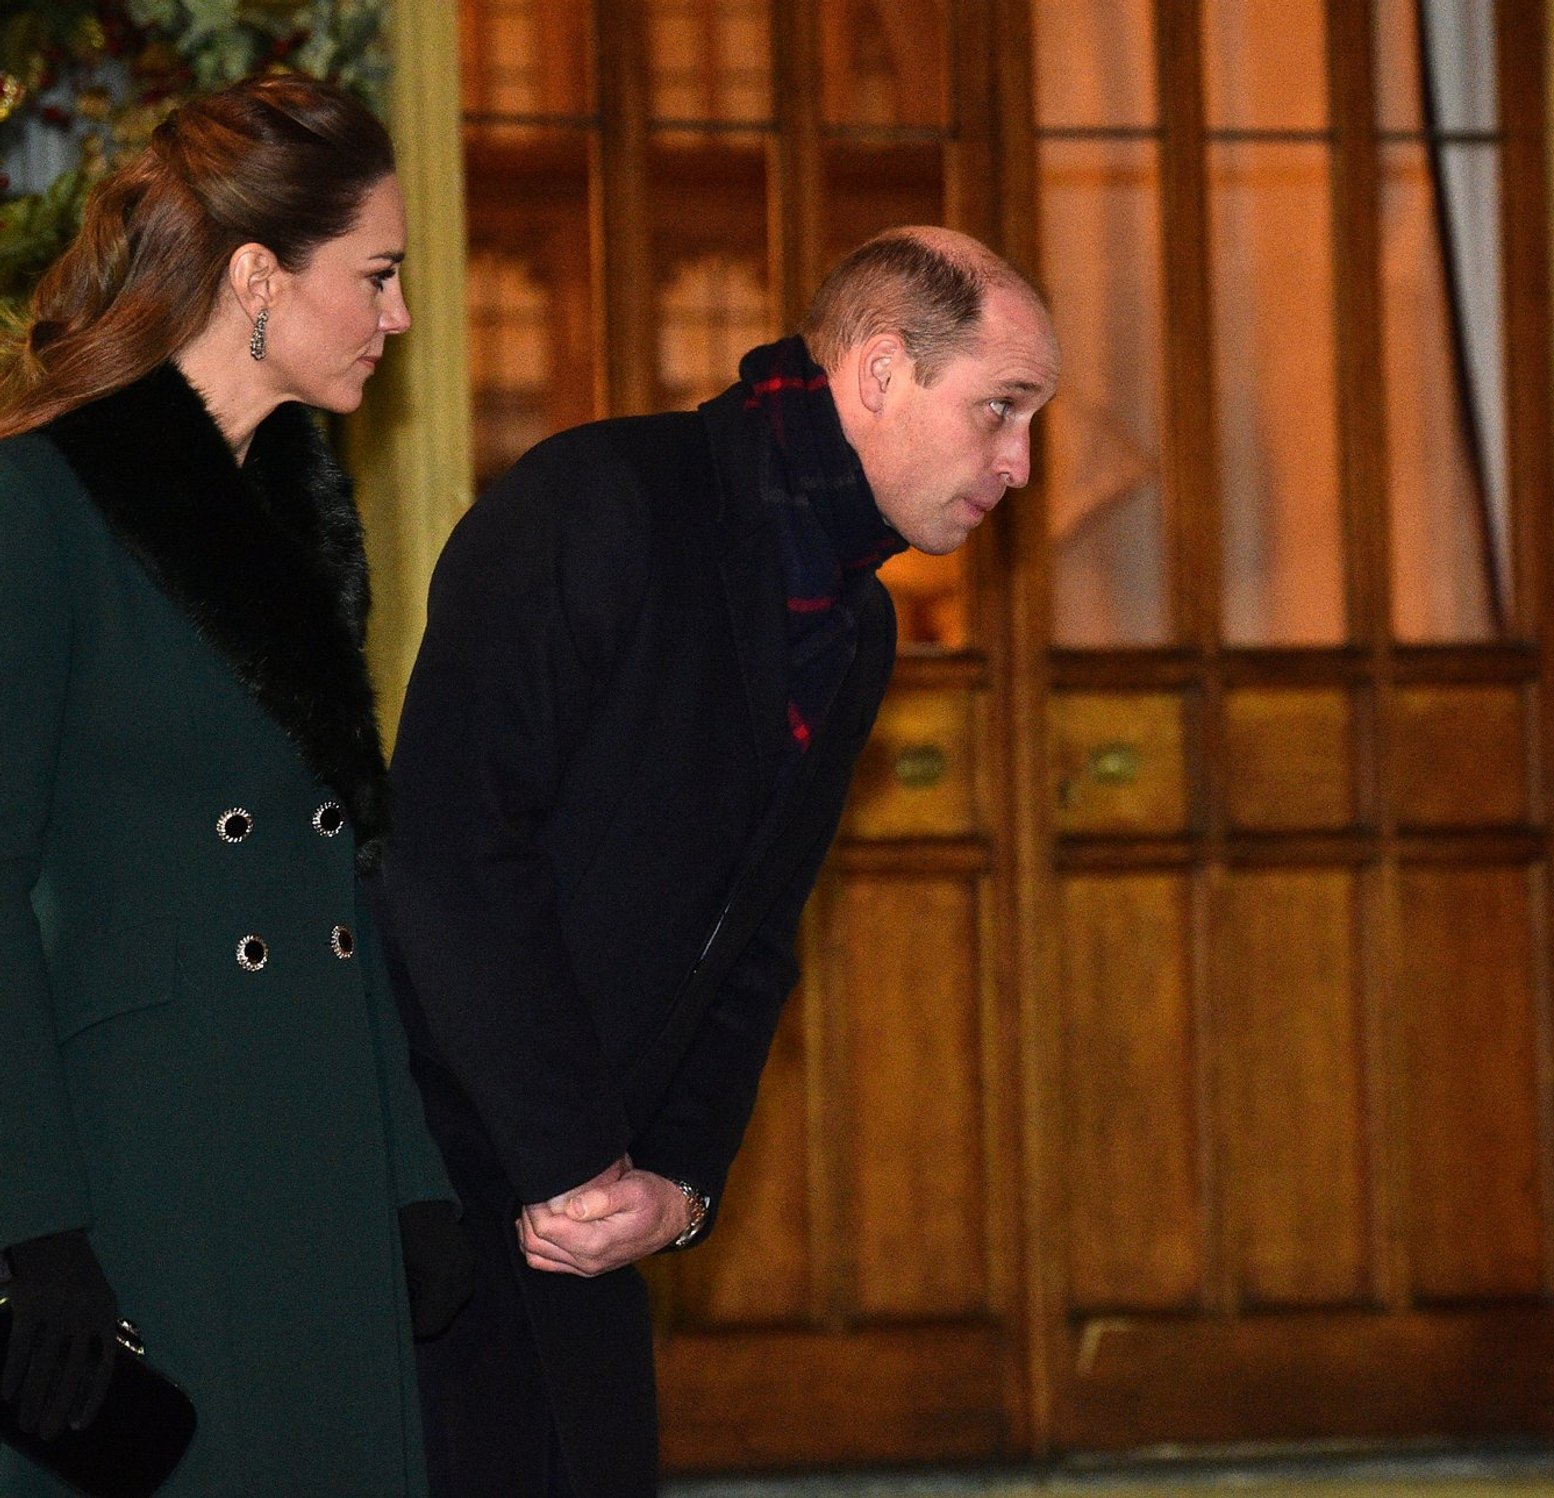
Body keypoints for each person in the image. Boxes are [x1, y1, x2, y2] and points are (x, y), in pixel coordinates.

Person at [380, 226, 1060, 1497]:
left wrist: (677, 1182)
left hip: (590, 1207)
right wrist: (574, 1158)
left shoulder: (855, 626)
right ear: (876, 374)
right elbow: (455, 858)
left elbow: (756, 937)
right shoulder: (599, 501)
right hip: (427, 1184)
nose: (1018, 464)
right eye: (999, 411)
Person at [0, 74, 471, 1495]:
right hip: (143, 1171)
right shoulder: (38, 505)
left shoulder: (302, 511)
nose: (398, 319)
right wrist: (35, 1224)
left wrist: (411, 1172)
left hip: (311, 1143)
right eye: (376, 277)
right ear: (258, 274)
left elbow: (333, 870)